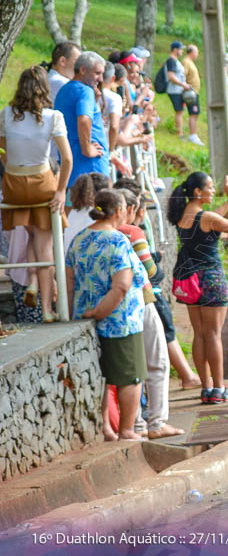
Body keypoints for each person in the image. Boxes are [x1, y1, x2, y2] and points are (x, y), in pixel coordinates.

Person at [65, 189, 149, 441]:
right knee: (129, 377)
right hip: (119, 321)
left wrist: (77, 315)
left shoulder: (79, 239)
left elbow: (69, 284)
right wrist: (101, 311)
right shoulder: (117, 241)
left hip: (85, 320)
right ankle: (126, 430)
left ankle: (106, 428)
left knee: (104, 376)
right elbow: (121, 286)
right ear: (119, 211)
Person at [0, 66, 72, 322]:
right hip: (42, 185)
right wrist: (61, 191)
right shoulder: (53, 116)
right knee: (45, 246)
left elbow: (5, 152)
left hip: (14, 189)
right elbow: (67, 159)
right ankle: (47, 309)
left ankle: (31, 281)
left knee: (33, 235)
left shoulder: (5, 114)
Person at [168, 172, 228, 405]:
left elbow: (209, 220)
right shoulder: (207, 218)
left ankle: (207, 388)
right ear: (198, 192)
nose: (213, 190)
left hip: (190, 281)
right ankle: (220, 389)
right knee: (214, 335)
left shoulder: (183, 215)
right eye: (210, 187)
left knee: (200, 334)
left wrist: (225, 201)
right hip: (210, 279)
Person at [117, 189, 184, 440]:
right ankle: (155, 422)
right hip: (140, 301)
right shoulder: (132, 232)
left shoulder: (89, 236)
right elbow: (151, 269)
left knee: (131, 368)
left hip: (112, 309)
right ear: (128, 209)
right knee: (157, 362)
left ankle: (136, 425)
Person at [53, 50, 108, 187]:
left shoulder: (64, 90)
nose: (101, 79)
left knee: (74, 205)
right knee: (98, 206)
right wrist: (87, 148)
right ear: (83, 70)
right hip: (90, 165)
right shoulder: (85, 91)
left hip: (73, 163)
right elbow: (83, 119)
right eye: (97, 73)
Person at [163, 42, 190, 139]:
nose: (182, 51)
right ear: (175, 50)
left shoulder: (175, 61)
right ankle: (180, 133)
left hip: (178, 90)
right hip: (174, 90)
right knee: (179, 111)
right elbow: (171, 76)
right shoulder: (171, 61)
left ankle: (180, 131)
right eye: (180, 49)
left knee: (180, 111)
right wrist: (183, 85)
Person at [182, 45, 203, 145]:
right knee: (193, 112)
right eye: (197, 52)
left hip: (194, 92)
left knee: (196, 113)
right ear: (192, 52)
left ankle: (193, 134)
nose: (197, 54)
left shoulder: (190, 62)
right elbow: (183, 75)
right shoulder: (186, 62)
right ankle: (193, 135)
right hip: (190, 92)